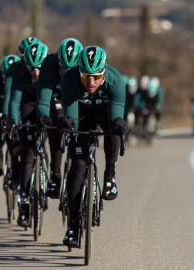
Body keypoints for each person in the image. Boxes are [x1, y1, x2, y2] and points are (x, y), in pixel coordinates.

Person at [56, 46, 128, 247]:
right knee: (78, 166)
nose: (91, 82)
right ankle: (72, 226)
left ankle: (110, 176)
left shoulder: (116, 80)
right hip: (82, 112)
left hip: (105, 109)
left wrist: (119, 124)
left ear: (103, 72)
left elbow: (116, 113)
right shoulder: (69, 80)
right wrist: (68, 124)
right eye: (86, 76)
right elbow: (72, 117)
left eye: (96, 76)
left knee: (113, 128)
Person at [6, 43, 49, 227]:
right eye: (32, 69)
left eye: (39, 68)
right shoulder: (19, 69)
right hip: (27, 103)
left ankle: (48, 181)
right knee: (28, 152)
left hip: (46, 103)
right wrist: (14, 123)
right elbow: (14, 100)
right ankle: (24, 202)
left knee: (44, 145)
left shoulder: (51, 66)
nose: (36, 74)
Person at [36, 38, 83, 199]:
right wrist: (43, 115)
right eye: (64, 68)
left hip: (77, 96)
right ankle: (56, 176)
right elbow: (43, 99)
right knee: (57, 120)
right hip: (57, 97)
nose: (67, 73)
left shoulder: (84, 68)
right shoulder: (48, 65)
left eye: (72, 69)